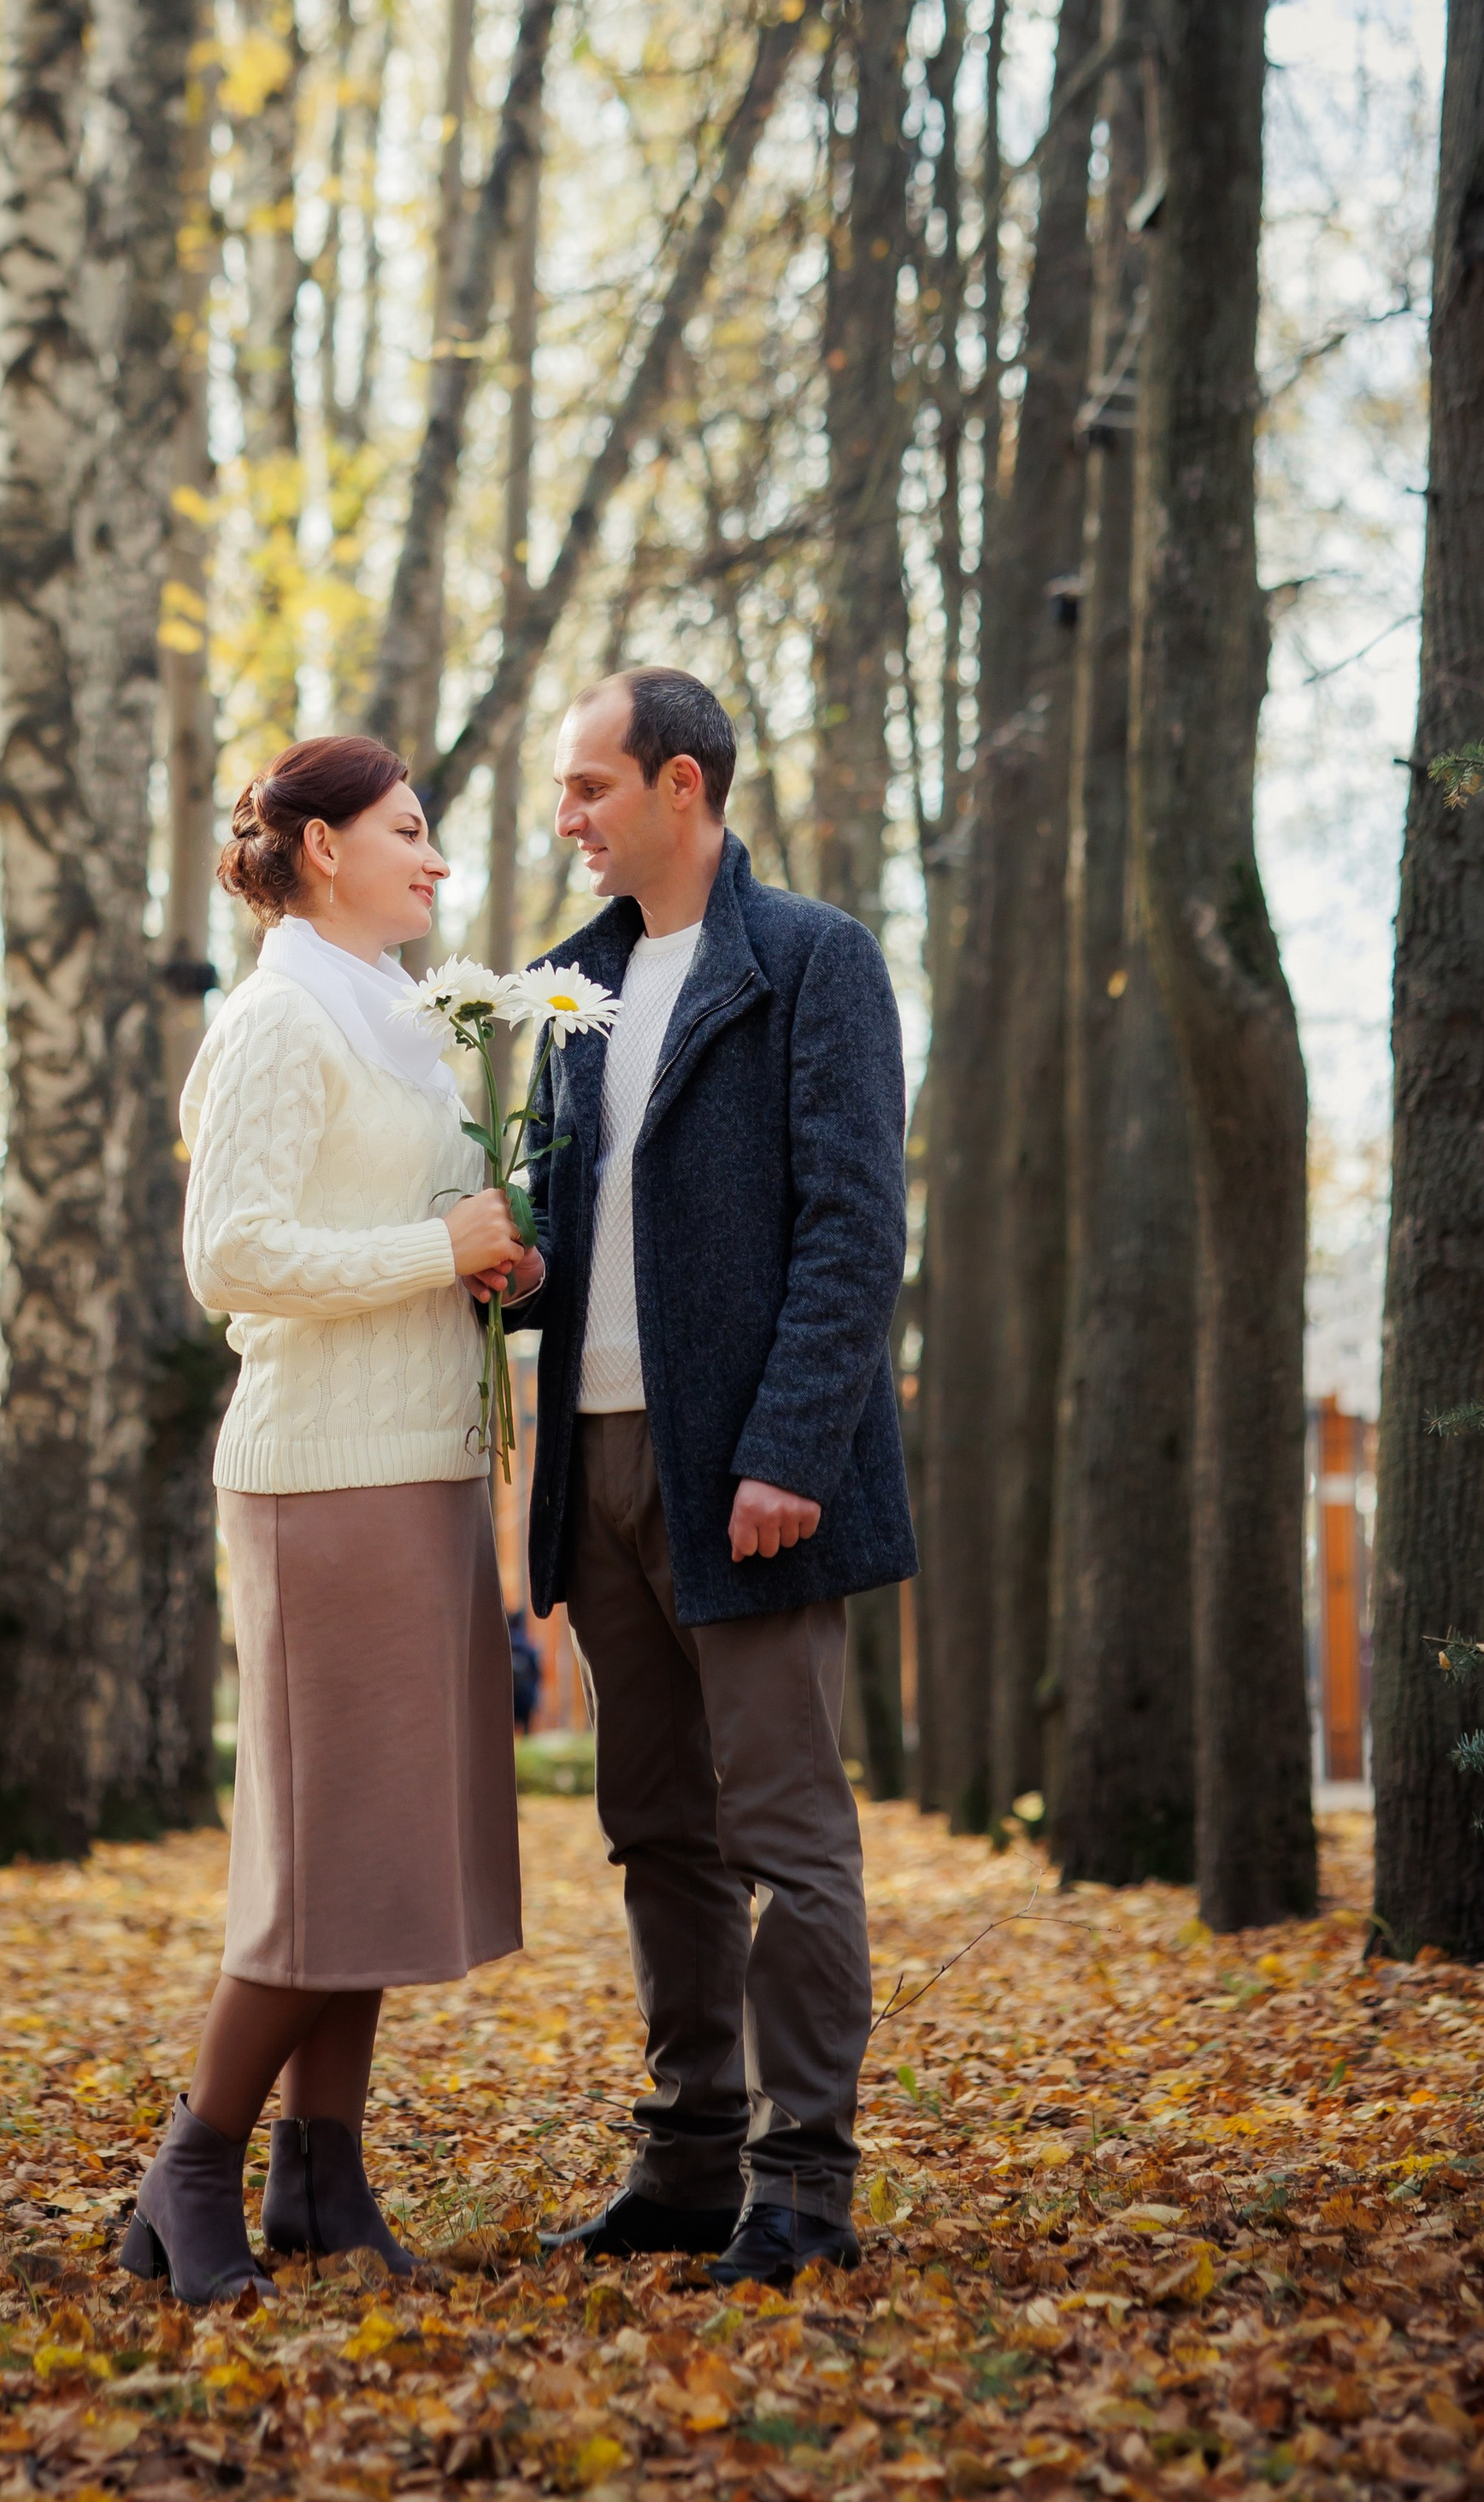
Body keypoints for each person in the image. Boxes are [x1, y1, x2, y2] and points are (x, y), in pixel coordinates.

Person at [118, 735, 541, 2305]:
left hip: (424, 1462)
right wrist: (440, 1249)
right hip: (319, 1476)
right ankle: (194, 2163)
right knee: (318, 1859)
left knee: (371, 1853)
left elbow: (402, 1233)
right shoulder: (279, 1018)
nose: (436, 861)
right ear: (316, 849)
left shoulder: (409, 1029)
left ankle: (323, 2174)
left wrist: (496, 1268)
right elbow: (229, 1257)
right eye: (408, 832)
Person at [516, 668, 913, 2288]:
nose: (568, 821)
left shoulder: (813, 961)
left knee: (787, 1829)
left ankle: (805, 2179)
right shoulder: (560, 988)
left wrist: (786, 1451)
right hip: (595, 1461)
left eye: (591, 788)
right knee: (659, 1825)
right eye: (564, 791)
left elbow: (853, 1226)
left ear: (683, 784)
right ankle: (689, 2163)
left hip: (746, 1468)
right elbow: (559, 1225)